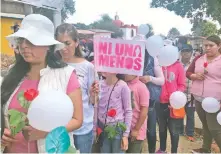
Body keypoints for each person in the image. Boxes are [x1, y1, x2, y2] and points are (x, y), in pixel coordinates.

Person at [1, 14, 83, 153]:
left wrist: (45, 132)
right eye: (22, 40)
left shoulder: (66, 75)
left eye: (32, 41)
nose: (24, 46)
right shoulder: (11, 75)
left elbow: (77, 119)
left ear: (48, 47)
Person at [55, 23, 99, 153]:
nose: (64, 48)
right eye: (60, 44)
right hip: (60, 128)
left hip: (82, 130)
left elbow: (94, 101)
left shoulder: (88, 67)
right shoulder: (53, 66)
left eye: (67, 43)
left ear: (76, 42)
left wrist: (93, 94)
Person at [189, 35, 221, 153]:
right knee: (206, 126)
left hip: (215, 101)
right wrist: (194, 76)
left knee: (215, 128)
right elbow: (189, 72)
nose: (207, 48)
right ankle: (205, 149)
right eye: (205, 45)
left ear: (219, 46)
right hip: (198, 98)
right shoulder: (199, 59)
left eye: (211, 45)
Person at [96, 72, 132, 153]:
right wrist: (95, 127)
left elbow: (128, 111)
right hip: (102, 127)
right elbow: (96, 107)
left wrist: (125, 135)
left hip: (117, 129)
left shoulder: (123, 86)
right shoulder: (99, 85)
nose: (105, 70)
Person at [157, 60, 186, 153]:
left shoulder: (178, 66)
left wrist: (174, 99)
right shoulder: (158, 64)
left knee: (174, 131)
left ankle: (174, 151)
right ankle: (162, 149)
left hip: (174, 104)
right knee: (161, 129)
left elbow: (182, 85)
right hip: (160, 103)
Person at [139, 51, 165, 153]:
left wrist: (149, 78)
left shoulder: (152, 58)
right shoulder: (129, 56)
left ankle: (151, 151)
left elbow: (161, 80)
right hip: (133, 99)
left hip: (150, 100)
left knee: (151, 130)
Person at [124, 74, 149, 153]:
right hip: (124, 129)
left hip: (136, 130)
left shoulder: (142, 87)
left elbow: (144, 111)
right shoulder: (123, 84)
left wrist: (136, 129)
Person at [180, 44, 195, 141]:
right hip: (179, 95)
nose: (186, 53)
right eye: (184, 51)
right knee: (179, 114)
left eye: (188, 51)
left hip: (191, 95)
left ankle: (190, 133)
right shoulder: (177, 64)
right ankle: (180, 131)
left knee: (190, 115)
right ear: (181, 53)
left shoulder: (195, 64)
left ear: (191, 52)